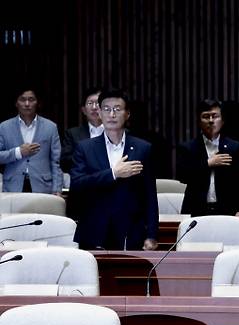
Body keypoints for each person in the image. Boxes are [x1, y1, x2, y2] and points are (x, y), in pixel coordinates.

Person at [70, 88, 158, 250]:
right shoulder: (85, 148)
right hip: (94, 229)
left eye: (117, 109)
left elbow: (150, 196)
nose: (111, 114)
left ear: (127, 114)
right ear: (100, 114)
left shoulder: (142, 148)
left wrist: (152, 234)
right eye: (107, 109)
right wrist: (113, 173)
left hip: (131, 231)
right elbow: (77, 184)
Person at [177, 99, 239, 217]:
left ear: (223, 120)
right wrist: (208, 163)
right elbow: (183, 176)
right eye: (206, 116)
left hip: (227, 209)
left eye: (215, 116)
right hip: (196, 209)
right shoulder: (188, 147)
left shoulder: (234, 147)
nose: (211, 121)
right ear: (199, 121)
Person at [0, 87, 63, 194]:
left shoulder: (50, 127)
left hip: (43, 186)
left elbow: (55, 162)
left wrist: (57, 188)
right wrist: (18, 152)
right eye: (22, 99)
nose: (27, 103)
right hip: (13, 186)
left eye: (31, 99)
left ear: (38, 103)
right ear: (16, 103)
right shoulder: (4, 127)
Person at [61, 87, 104, 174]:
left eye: (98, 103)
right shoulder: (72, 134)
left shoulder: (118, 132)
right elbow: (65, 161)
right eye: (90, 103)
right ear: (84, 110)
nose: (94, 107)